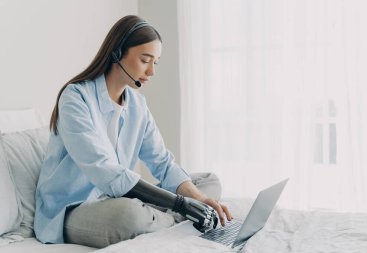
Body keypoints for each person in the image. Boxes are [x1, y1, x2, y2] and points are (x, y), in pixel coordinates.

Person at [33, 15, 232, 248]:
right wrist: (180, 204)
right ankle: (175, 220)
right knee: (130, 217)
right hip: (74, 209)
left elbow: (163, 164)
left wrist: (198, 199)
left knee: (208, 182)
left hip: (118, 198)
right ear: (117, 53)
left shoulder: (137, 105)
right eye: (145, 60)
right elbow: (105, 171)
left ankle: (166, 220)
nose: (152, 71)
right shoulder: (75, 98)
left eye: (155, 62)